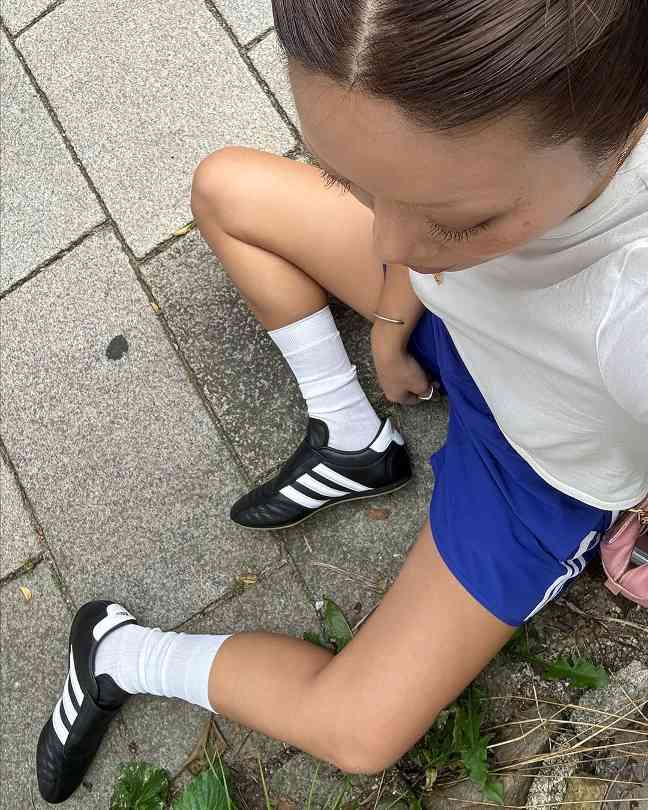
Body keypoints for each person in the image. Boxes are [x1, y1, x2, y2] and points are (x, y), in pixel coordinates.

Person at [37, 1, 648, 803]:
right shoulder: (461, 199)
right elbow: (411, 246)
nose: (389, 243)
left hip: (536, 466)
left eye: (457, 220)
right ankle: (350, 434)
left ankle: (116, 655)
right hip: (468, 336)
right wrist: (395, 316)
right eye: (349, 180)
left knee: (357, 731)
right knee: (226, 189)